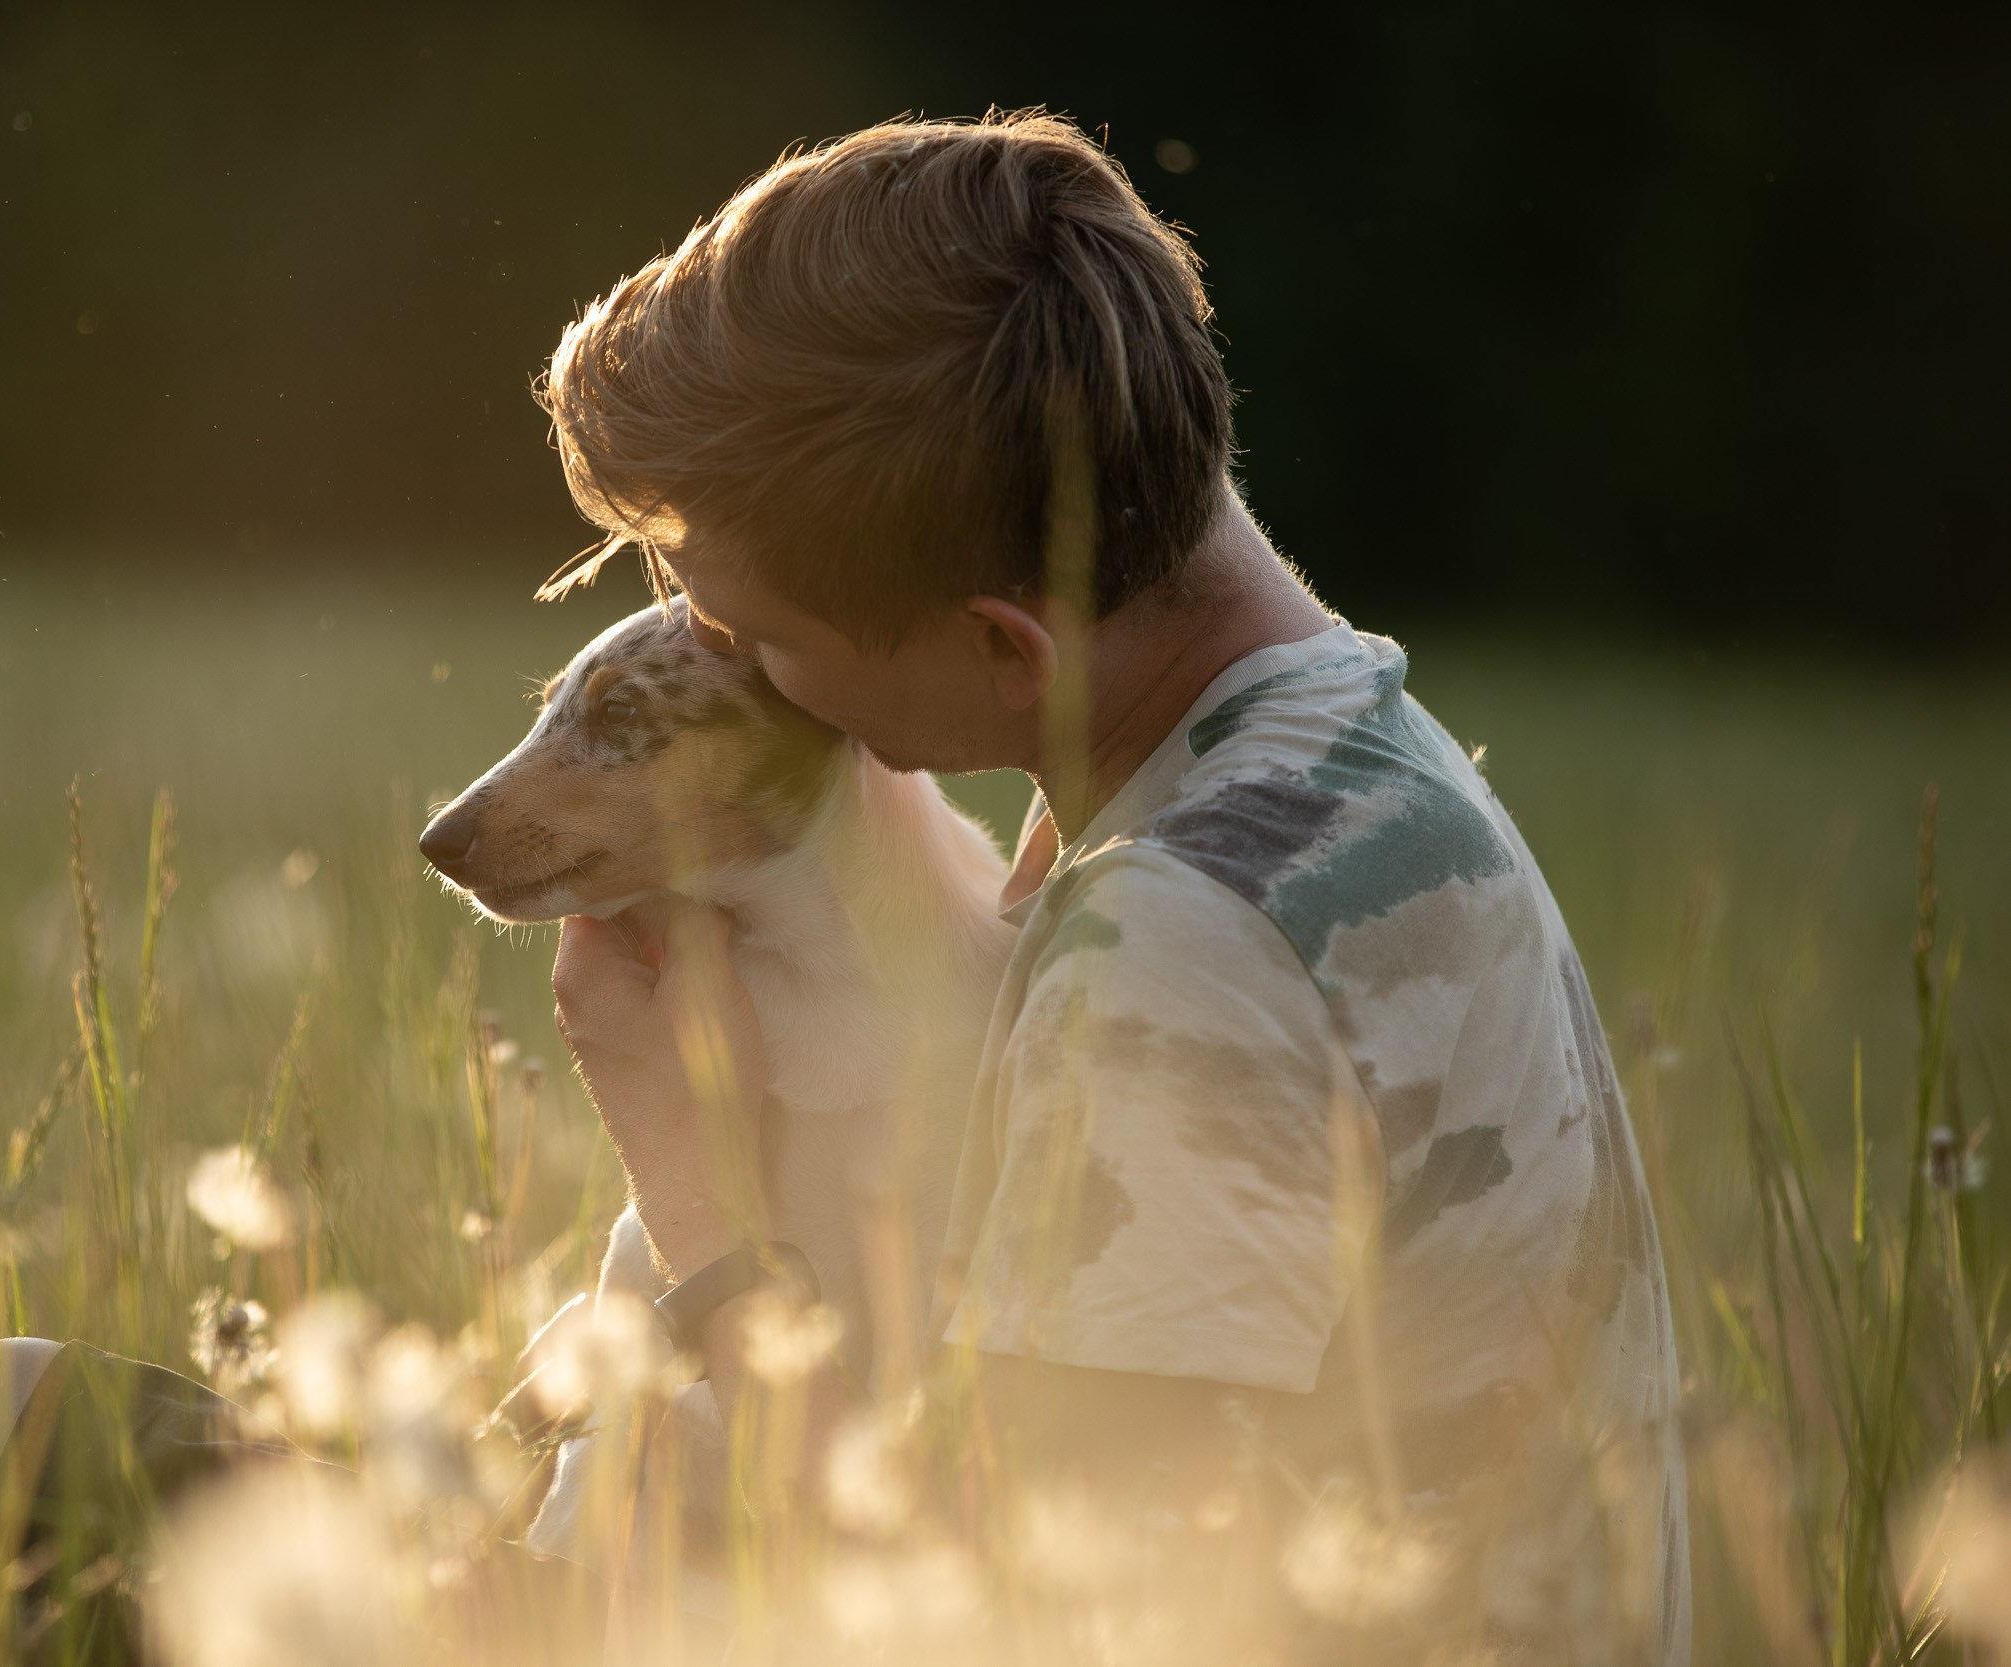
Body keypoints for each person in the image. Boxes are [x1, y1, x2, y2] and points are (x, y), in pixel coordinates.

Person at [537, 110, 1686, 1664]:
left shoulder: (1180, 943)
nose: (744, 675)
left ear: (1007, 649)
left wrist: (691, 1180)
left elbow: (994, 1613)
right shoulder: (1343, 748)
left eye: (762, 639)